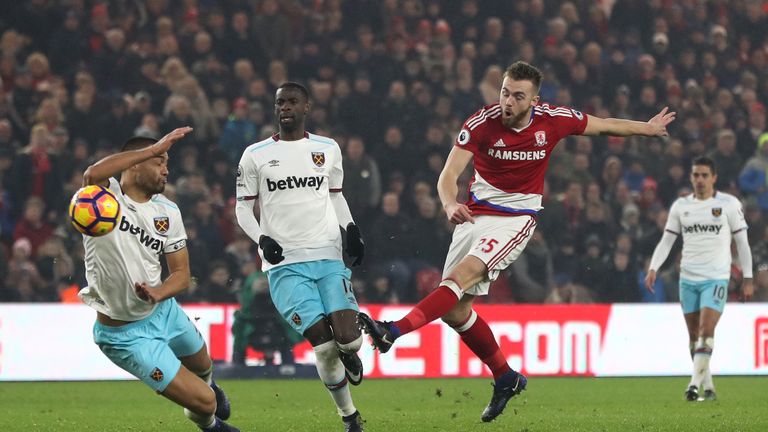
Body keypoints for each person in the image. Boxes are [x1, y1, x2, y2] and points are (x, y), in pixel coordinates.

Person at [358, 61, 676, 423]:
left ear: (534, 101)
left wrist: (648, 128)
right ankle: (506, 377)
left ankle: (393, 330)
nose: (508, 101)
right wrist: (448, 203)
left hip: (515, 219)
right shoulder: (481, 122)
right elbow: (449, 173)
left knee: (458, 278)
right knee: (455, 311)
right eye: (505, 92)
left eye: (518, 96)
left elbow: (603, 125)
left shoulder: (553, 120)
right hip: (474, 214)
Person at [78, 128, 238, 432]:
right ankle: (210, 424)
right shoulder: (104, 197)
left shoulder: (167, 211)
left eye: (167, 163)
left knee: (204, 365)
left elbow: (181, 275)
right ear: (136, 163)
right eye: (159, 162)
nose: (166, 170)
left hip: (163, 310)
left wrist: (158, 292)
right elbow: (91, 173)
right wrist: (154, 148)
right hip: (125, 334)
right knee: (206, 404)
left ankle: (206, 387)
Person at [235, 82, 366, 432]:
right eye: (280, 103)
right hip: (285, 265)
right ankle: (349, 416)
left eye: (292, 102)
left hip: (328, 254)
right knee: (323, 347)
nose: (285, 108)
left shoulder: (327, 148)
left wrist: (351, 229)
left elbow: (336, 196)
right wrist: (262, 239)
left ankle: (351, 352)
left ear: (306, 107)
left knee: (349, 339)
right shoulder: (255, 155)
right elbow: (243, 208)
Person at [645, 156, 753, 402]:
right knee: (694, 336)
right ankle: (709, 386)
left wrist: (748, 278)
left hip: (716, 278)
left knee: (706, 329)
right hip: (688, 278)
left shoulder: (729, 204)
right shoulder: (681, 206)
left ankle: (693, 386)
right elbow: (667, 241)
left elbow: (742, 242)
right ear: (691, 178)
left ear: (714, 178)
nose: (700, 180)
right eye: (696, 175)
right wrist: (653, 268)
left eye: (705, 175)